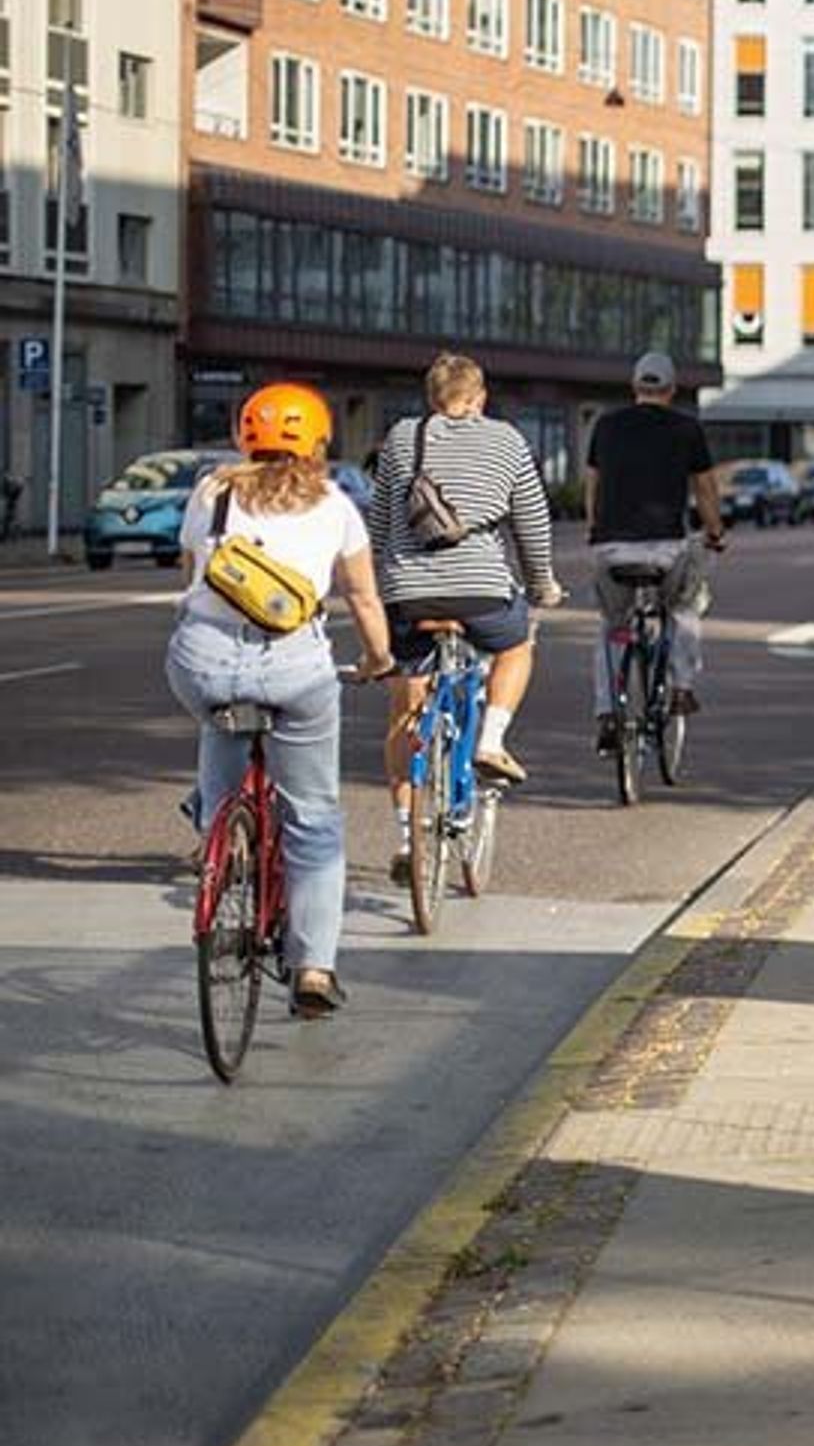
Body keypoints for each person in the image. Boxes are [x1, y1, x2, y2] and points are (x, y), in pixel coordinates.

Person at [166, 382, 394, 1019]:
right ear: (319, 441)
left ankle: (218, 830)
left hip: (203, 662)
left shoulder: (211, 492)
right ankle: (315, 967)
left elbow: (190, 571)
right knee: (314, 817)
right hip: (294, 668)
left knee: (220, 717)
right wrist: (378, 660)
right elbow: (363, 597)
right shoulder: (335, 504)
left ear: (243, 436)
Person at [369, 354, 562, 881]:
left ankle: (407, 837)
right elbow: (532, 524)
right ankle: (491, 740)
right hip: (482, 592)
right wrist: (541, 586)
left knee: (405, 710)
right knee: (517, 645)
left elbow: (380, 524)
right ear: (479, 398)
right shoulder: (507, 441)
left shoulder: (401, 438)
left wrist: (390, 583)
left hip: (408, 596)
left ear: (431, 399)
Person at [585, 352, 725, 753]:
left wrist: (595, 527)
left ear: (635, 387)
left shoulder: (606, 425)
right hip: (666, 547)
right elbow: (705, 489)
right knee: (684, 604)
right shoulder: (687, 428)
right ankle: (681, 687)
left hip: (610, 547)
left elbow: (592, 483)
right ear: (672, 390)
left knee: (613, 625)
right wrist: (714, 531)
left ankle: (607, 712)